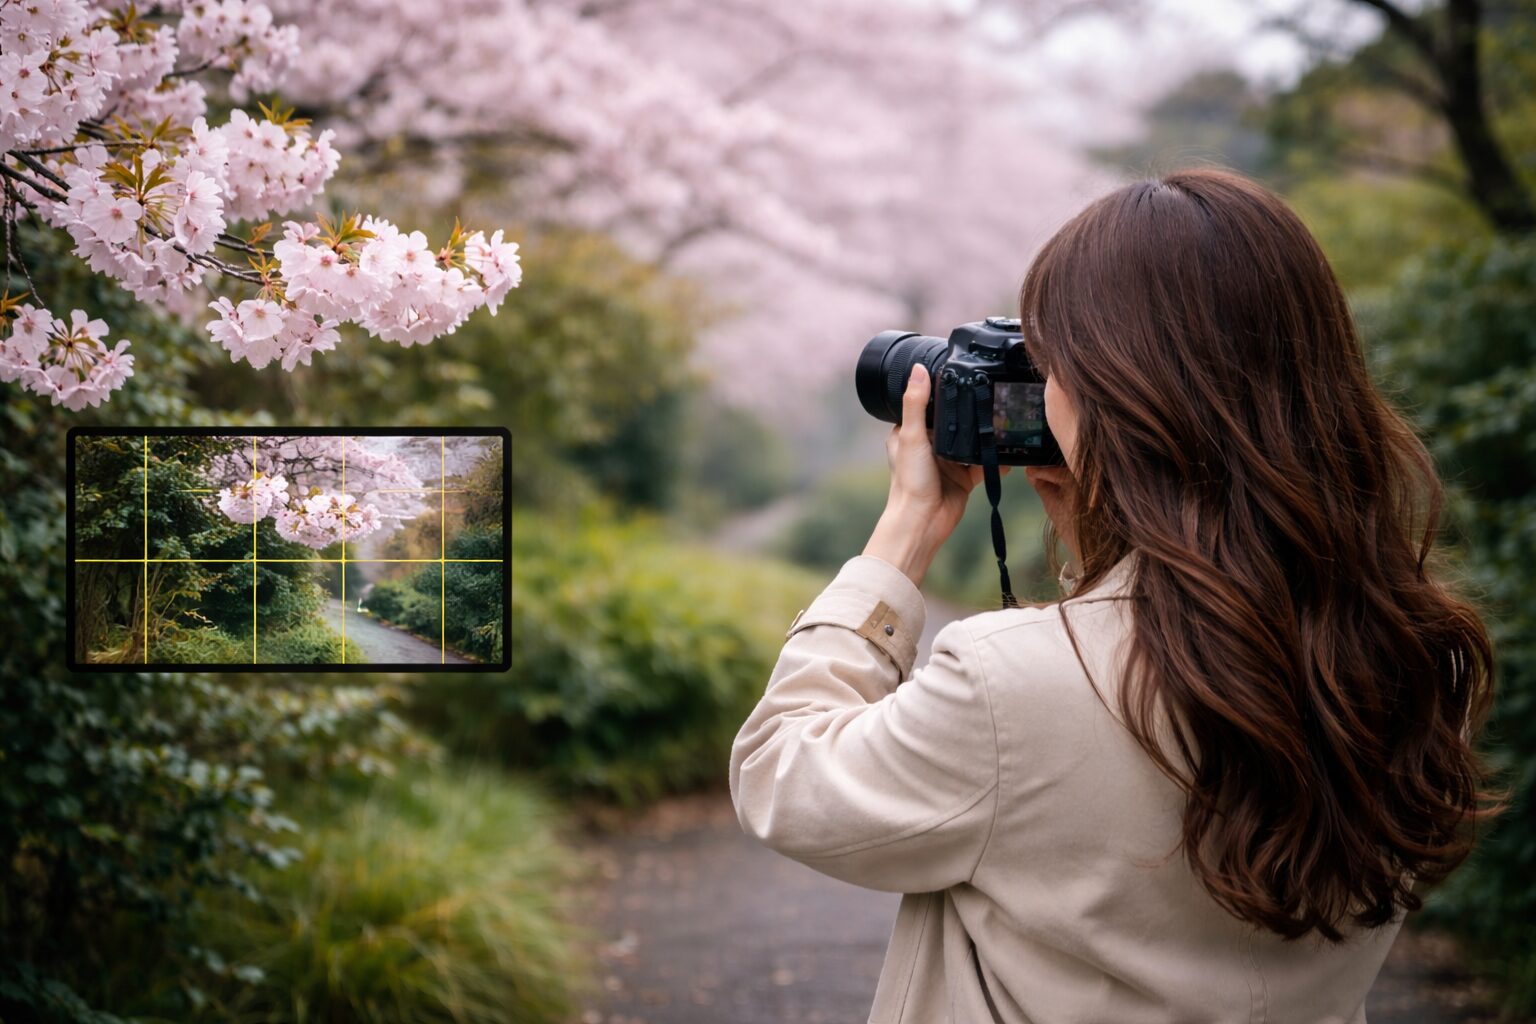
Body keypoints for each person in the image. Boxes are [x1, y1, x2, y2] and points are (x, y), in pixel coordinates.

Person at [728, 167, 1500, 1023]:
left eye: (1054, 365)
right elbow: (1186, 640)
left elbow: (783, 780)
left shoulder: (1010, 683)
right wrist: (1102, 523)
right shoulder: (1421, 657)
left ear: (1117, 397)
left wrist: (905, 530)